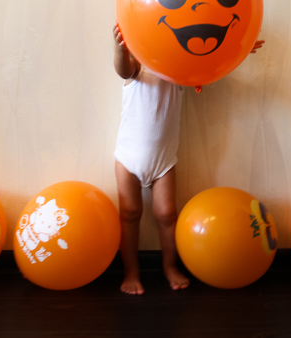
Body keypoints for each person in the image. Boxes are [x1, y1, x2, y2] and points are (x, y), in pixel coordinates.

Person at [113, 20, 264, 295]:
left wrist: (237, 50)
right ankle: (131, 271)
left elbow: (210, 66)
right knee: (130, 214)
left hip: (164, 162)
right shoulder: (137, 68)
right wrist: (120, 49)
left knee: (167, 214)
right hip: (127, 159)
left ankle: (169, 266)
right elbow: (123, 69)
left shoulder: (178, 73)